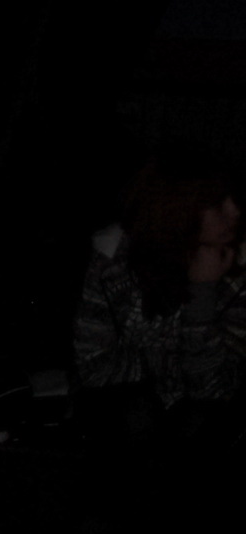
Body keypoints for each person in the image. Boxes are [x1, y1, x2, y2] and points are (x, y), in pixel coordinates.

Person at [73, 145, 245, 433]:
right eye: (216, 203)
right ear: (175, 207)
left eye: (234, 199)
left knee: (198, 423)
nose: (235, 212)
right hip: (130, 409)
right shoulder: (114, 259)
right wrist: (162, 375)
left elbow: (213, 390)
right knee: (135, 414)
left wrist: (202, 293)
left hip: (202, 420)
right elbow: (92, 365)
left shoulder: (237, 270)